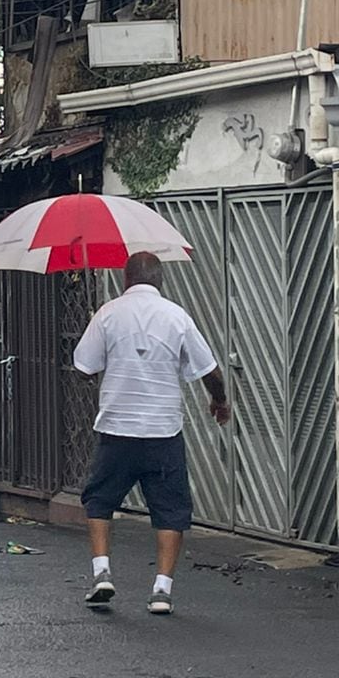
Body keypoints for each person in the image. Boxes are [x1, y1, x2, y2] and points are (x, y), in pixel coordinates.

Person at [72, 250, 230, 616]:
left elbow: (83, 368)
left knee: (99, 500)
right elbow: (210, 370)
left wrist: (108, 356)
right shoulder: (177, 317)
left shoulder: (108, 314)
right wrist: (219, 401)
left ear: (126, 280)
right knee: (170, 510)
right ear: (159, 280)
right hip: (162, 431)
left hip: (117, 429)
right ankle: (162, 590)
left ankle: (102, 573)